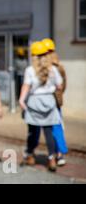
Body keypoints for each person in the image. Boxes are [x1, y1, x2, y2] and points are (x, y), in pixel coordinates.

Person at [19, 41, 63, 172]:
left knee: (32, 131)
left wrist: (21, 100)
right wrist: (51, 87)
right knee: (49, 132)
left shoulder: (30, 70)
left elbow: (26, 87)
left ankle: (30, 155)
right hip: (49, 101)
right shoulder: (53, 69)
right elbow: (60, 86)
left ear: (33, 56)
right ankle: (51, 159)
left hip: (34, 102)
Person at [42, 38, 68, 166]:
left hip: (44, 101)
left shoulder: (43, 67)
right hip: (56, 101)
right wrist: (59, 96)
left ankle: (53, 154)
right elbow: (63, 85)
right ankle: (60, 154)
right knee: (58, 127)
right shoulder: (59, 66)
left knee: (48, 128)